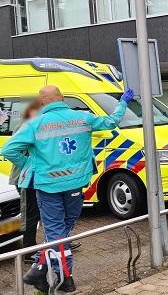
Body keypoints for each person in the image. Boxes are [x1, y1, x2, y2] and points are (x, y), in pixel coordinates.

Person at [1, 85, 135, 293]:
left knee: (56, 233)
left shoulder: (35, 124)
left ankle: (57, 276)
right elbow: (112, 121)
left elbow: (9, 149)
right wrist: (123, 102)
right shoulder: (83, 117)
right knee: (62, 230)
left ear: (43, 102)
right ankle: (49, 273)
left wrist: (29, 165)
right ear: (62, 98)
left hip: (48, 186)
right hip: (76, 183)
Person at [8, 100, 42, 251]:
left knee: (37, 210)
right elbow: (12, 151)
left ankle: (53, 242)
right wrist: (28, 164)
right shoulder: (26, 127)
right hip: (24, 179)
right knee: (30, 212)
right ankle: (29, 249)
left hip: (31, 177)